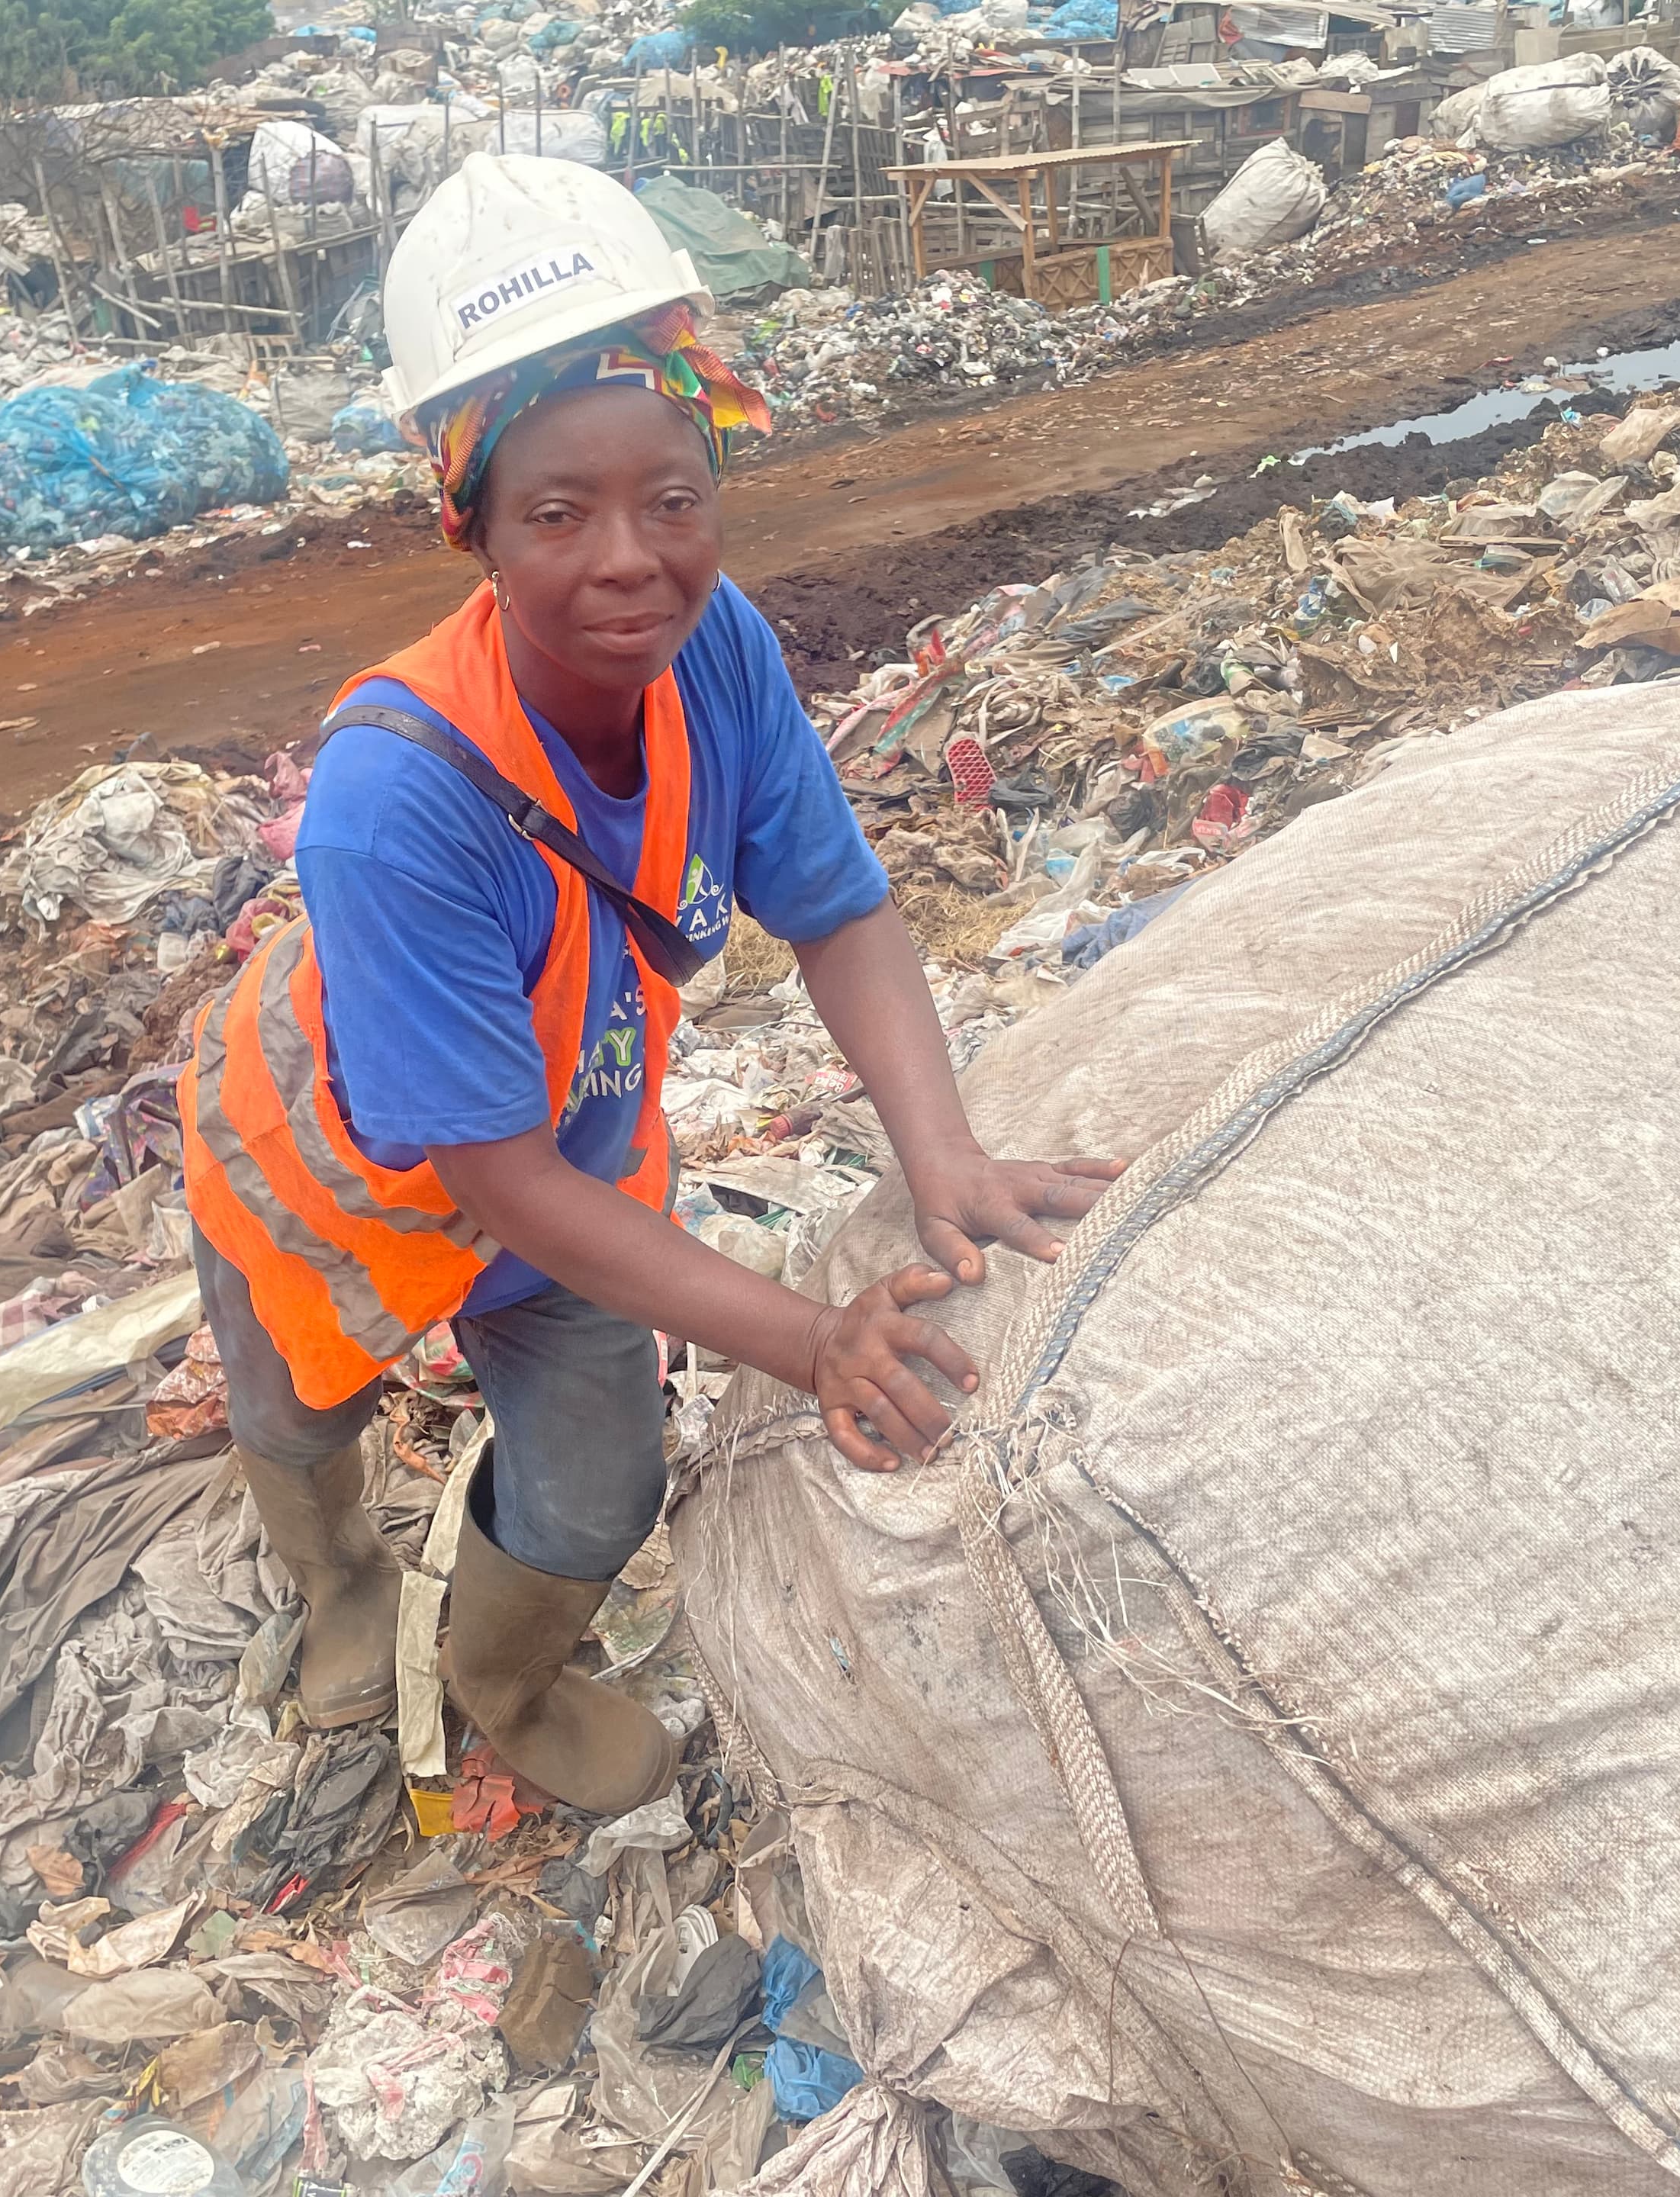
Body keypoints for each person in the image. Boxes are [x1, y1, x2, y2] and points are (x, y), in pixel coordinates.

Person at [179, 153, 1117, 1815]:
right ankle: (340, 1591)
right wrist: (808, 1337)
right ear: (470, 524)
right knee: (297, 1398)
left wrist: (942, 1154)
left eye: (672, 499)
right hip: (335, 1159)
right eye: (559, 514)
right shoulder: (397, 795)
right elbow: (495, 1182)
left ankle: (501, 1673)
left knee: (601, 1479)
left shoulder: (718, 650)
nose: (633, 561)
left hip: (559, 1157)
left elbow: (837, 914)